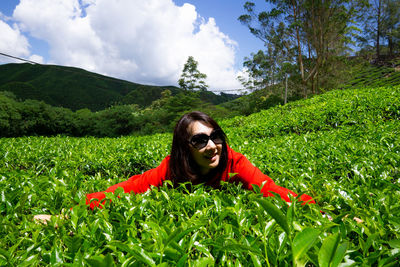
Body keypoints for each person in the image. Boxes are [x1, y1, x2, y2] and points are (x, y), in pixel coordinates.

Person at [34, 111, 314, 222]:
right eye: (200, 140)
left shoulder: (235, 164)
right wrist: (67, 215)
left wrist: (324, 215)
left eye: (216, 136)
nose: (212, 145)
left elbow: (275, 192)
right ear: (184, 147)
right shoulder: (171, 170)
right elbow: (124, 190)